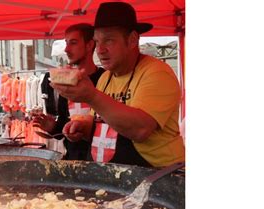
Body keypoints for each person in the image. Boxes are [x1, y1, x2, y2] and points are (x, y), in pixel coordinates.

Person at [51, 2, 185, 167]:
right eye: (97, 41)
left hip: (159, 176)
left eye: (108, 40)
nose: (100, 50)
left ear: (132, 39)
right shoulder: (105, 77)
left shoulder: (157, 73)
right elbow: (100, 122)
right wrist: (81, 127)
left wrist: (92, 96)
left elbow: (140, 129)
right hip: (113, 176)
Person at [33, 23, 105, 161]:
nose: (66, 49)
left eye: (73, 43)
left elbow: (112, 125)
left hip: (102, 160)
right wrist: (53, 127)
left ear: (90, 45)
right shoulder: (65, 80)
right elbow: (64, 122)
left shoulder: (106, 79)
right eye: (66, 43)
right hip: (72, 159)